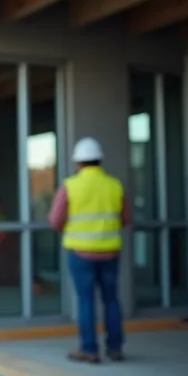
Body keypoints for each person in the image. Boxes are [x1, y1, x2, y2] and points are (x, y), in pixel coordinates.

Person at [48, 137, 131, 364]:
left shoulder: (70, 186)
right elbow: (126, 218)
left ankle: (89, 349)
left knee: (86, 301)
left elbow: (55, 221)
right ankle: (115, 348)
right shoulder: (115, 185)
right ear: (100, 160)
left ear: (77, 163)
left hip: (80, 252)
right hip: (110, 251)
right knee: (111, 300)